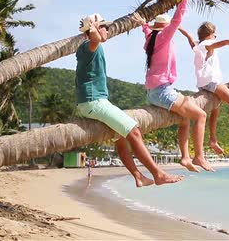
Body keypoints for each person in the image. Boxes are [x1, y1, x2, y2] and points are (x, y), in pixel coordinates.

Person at [75, 12, 182, 187]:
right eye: (105, 27)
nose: (107, 30)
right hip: (93, 102)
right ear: (91, 31)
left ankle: (138, 176)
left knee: (121, 137)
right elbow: (94, 39)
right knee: (134, 131)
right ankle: (158, 174)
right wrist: (93, 29)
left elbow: (95, 39)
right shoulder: (89, 46)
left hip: (91, 102)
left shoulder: (86, 48)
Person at [140, 0, 213, 172]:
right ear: (163, 29)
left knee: (185, 118)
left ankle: (186, 158)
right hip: (162, 91)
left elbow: (146, 30)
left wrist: (143, 23)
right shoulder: (163, 37)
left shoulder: (151, 39)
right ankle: (199, 157)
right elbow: (177, 19)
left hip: (156, 91)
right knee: (201, 116)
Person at [180, 22, 229, 155]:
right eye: (215, 35)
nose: (215, 37)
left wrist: (179, 27)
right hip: (211, 82)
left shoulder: (197, 46)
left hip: (202, 83)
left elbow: (189, 37)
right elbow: (224, 42)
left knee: (216, 109)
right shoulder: (208, 45)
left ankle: (213, 140)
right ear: (210, 35)